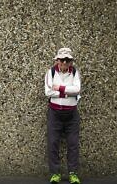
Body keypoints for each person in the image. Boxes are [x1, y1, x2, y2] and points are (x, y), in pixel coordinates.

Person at [45, 48, 82, 184]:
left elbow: (77, 89)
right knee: (53, 143)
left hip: (71, 114)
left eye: (68, 60)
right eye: (62, 60)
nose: (64, 62)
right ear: (57, 60)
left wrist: (60, 89)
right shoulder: (51, 72)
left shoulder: (75, 72)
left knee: (73, 144)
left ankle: (73, 173)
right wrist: (68, 91)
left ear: (71, 61)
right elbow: (48, 92)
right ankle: (55, 174)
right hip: (54, 114)